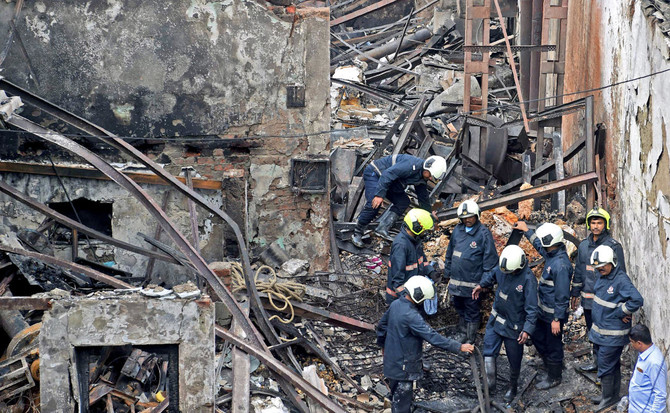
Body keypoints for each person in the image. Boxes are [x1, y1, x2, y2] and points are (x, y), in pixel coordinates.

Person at [377, 276, 474, 413]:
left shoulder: (395, 305)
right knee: (402, 404)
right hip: (403, 368)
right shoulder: (412, 316)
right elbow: (433, 337)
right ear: (419, 296)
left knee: (397, 397)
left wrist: (383, 346)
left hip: (391, 362)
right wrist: (459, 346)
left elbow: (381, 327)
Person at [473, 245, 538, 403]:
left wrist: (527, 330)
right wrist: (482, 285)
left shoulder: (528, 280)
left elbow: (532, 309)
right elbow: (493, 274)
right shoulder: (504, 267)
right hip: (496, 319)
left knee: (514, 359)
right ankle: (489, 384)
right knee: (488, 351)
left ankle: (512, 387)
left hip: (514, 325)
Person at [515, 221, 572, 390]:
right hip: (543, 311)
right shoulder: (552, 254)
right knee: (538, 337)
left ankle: (554, 376)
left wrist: (557, 319)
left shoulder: (560, 265)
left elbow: (562, 295)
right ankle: (549, 364)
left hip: (552, 316)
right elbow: (540, 247)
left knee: (553, 344)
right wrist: (527, 231)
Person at [571, 207, 627, 373]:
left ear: (606, 225)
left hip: (607, 303)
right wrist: (575, 293)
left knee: (606, 336)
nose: (595, 226)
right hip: (589, 302)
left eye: (599, 223)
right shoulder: (583, 246)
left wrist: (622, 305)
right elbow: (579, 270)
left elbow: (621, 276)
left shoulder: (613, 247)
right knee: (593, 333)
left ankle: (606, 369)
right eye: (593, 223)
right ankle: (597, 363)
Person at [588, 245, 644, 409]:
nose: (600, 269)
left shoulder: (620, 280)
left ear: (612, 262)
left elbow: (637, 300)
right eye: (598, 267)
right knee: (610, 365)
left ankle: (608, 398)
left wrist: (621, 311)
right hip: (601, 332)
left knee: (606, 365)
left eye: (603, 266)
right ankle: (610, 395)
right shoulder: (603, 276)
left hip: (612, 335)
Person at [351, 155, 447, 247]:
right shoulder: (410, 165)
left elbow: (423, 198)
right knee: (374, 203)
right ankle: (357, 232)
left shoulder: (422, 176)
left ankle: (383, 228)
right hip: (376, 173)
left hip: (390, 181)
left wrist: (429, 215)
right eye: (430, 175)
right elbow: (387, 174)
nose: (430, 178)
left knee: (403, 202)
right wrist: (379, 195)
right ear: (426, 168)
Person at [444, 200, 498, 343]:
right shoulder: (458, 230)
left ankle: (470, 338)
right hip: (456, 282)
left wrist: (484, 283)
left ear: (477, 216)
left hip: (473, 285)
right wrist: (446, 274)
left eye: (470, 217)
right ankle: (462, 332)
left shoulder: (483, 234)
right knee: (459, 307)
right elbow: (450, 253)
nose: (467, 220)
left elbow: (490, 262)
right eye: (464, 218)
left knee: (472, 311)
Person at [386, 208, 440, 305]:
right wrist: (407, 300)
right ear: (417, 228)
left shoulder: (415, 240)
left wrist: (431, 272)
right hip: (399, 299)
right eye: (424, 230)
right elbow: (397, 280)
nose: (425, 233)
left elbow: (422, 261)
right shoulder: (401, 246)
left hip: (413, 295)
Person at [628, 324, 667, 413]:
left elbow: (660, 395)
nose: (631, 344)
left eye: (632, 342)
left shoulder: (654, 363)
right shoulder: (643, 354)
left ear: (639, 343)